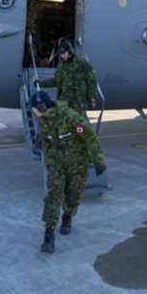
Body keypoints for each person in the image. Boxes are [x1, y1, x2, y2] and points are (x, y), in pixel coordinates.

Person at [31, 91, 106, 254]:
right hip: (57, 164)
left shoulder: (71, 119)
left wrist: (98, 160)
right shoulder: (43, 118)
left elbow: (89, 136)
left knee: (73, 195)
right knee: (53, 196)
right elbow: (44, 136)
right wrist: (39, 144)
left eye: (37, 109)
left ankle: (67, 216)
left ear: (44, 106)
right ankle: (48, 235)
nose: (35, 113)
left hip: (77, 164)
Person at [39, 39, 98, 116]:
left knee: (79, 123)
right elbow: (56, 81)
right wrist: (41, 83)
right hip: (65, 99)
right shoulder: (61, 66)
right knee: (61, 120)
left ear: (69, 51)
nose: (62, 55)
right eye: (60, 54)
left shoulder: (82, 63)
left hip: (78, 101)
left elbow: (91, 80)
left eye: (63, 53)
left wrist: (92, 96)